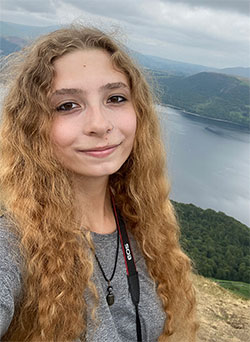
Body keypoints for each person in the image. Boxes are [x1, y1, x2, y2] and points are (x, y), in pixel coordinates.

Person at [0, 25, 197, 341]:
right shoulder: (14, 244)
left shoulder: (144, 227)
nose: (99, 124)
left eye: (116, 98)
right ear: (32, 126)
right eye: (67, 105)